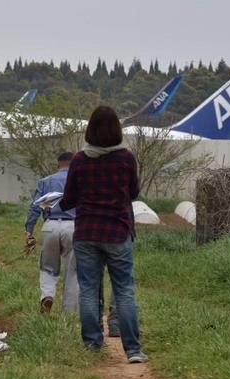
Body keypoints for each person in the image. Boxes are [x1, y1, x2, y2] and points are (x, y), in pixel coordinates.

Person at [60, 105, 147, 363]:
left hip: (86, 232)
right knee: (124, 290)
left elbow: (69, 198)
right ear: (117, 130)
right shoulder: (126, 158)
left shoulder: (79, 159)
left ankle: (92, 346)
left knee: (88, 289)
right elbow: (133, 193)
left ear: (90, 130)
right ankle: (132, 350)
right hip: (118, 232)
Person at [25, 152, 79, 314]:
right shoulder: (80, 181)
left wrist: (29, 230)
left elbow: (35, 207)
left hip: (50, 226)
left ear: (58, 165)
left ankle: (47, 295)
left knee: (48, 266)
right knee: (73, 271)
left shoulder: (45, 181)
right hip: (73, 227)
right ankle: (69, 312)